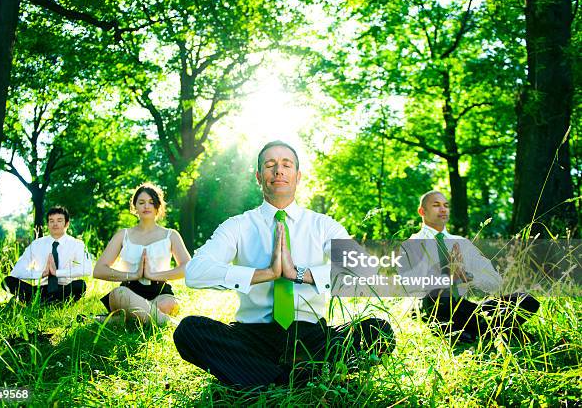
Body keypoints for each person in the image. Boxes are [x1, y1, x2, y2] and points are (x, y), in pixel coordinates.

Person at [173, 140, 395, 388]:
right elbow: (194, 272)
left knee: (379, 331)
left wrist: (299, 273)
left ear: (297, 176)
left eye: (286, 165)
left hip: (312, 335)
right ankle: (299, 377)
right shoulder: (237, 226)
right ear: (259, 177)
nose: (278, 170)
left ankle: (264, 378)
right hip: (253, 337)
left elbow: (364, 269)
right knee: (189, 330)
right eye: (270, 165)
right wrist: (265, 273)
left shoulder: (322, 225)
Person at [401, 190, 540, 342]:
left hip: (465, 309)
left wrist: (468, 276)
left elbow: (495, 282)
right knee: (437, 298)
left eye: (446, 205)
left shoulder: (462, 243)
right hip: (431, 308)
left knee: (526, 300)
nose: (443, 209)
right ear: (422, 211)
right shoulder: (410, 245)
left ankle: (471, 331)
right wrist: (445, 276)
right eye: (436, 205)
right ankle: (501, 331)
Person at [93, 183, 190, 326]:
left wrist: (154, 276)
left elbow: (188, 267)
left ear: (158, 207)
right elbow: (99, 270)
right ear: (135, 207)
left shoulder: (171, 235)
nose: (146, 206)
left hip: (160, 292)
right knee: (118, 294)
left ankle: (120, 319)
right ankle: (171, 324)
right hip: (128, 291)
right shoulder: (123, 235)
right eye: (141, 202)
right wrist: (133, 276)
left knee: (169, 304)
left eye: (151, 202)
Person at [2, 206, 92, 304]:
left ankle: (41, 302)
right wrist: (41, 274)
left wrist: (57, 273)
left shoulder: (77, 244)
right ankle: (49, 302)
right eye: (51, 221)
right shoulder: (36, 244)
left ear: (67, 224)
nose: (55, 224)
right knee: (8, 281)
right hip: (39, 290)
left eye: (59, 220)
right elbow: (16, 272)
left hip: (64, 289)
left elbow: (87, 269)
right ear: (48, 224)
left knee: (80, 285)